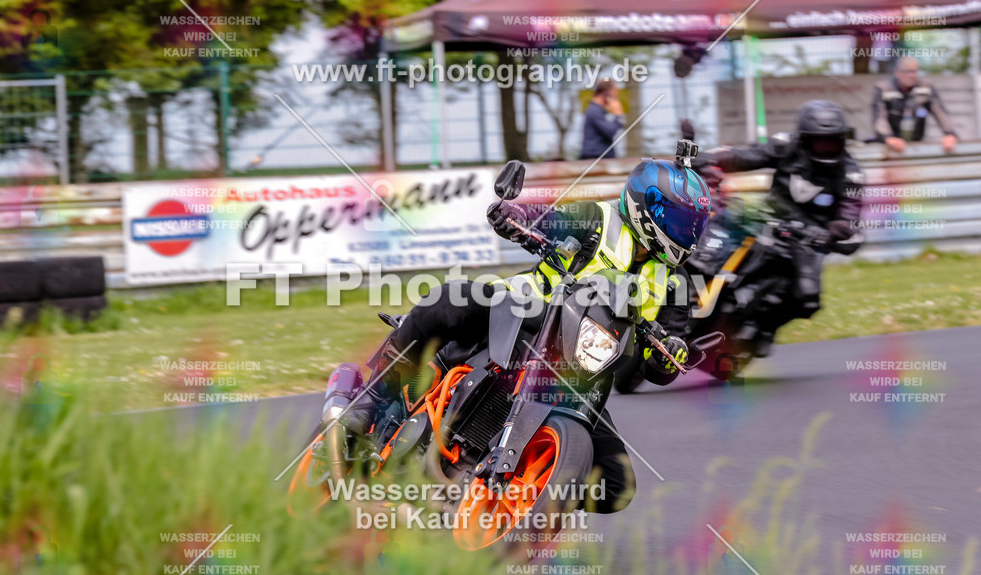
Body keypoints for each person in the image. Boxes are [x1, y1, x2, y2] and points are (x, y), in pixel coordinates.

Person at [346, 156, 713, 514]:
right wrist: (516, 217)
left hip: (581, 365)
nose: (688, 234)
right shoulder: (597, 219)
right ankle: (370, 396)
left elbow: (658, 364)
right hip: (526, 311)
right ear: (647, 207)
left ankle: (520, 492)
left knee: (615, 486)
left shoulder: (675, 281)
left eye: (693, 225)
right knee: (448, 299)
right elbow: (549, 218)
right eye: (680, 221)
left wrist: (673, 354)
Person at [693, 100, 864, 356]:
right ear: (805, 139)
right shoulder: (786, 145)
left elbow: (851, 216)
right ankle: (689, 289)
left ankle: (765, 328)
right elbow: (746, 156)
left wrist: (839, 231)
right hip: (768, 216)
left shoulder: (851, 174)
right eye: (819, 141)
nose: (826, 148)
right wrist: (711, 159)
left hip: (809, 238)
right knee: (718, 232)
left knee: (808, 298)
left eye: (832, 141)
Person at [871, 57, 957, 153]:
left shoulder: (925, 87)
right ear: (896, 72)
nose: (912, 75)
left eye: (915, 72)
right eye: (907, 72)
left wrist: (949, 133)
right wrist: (888, 137)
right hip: (891, 146)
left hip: (916, 143)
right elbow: (879, 117)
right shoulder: (884, 89)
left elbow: (940, 111)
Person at [580, 78, 624, 159]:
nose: (615, 97)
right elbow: (610, 131)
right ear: (605, 91)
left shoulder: (599, 111)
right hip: (595, 158)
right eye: (614, 93)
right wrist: (617, 114)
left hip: (600, 157)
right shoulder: (594, 111)